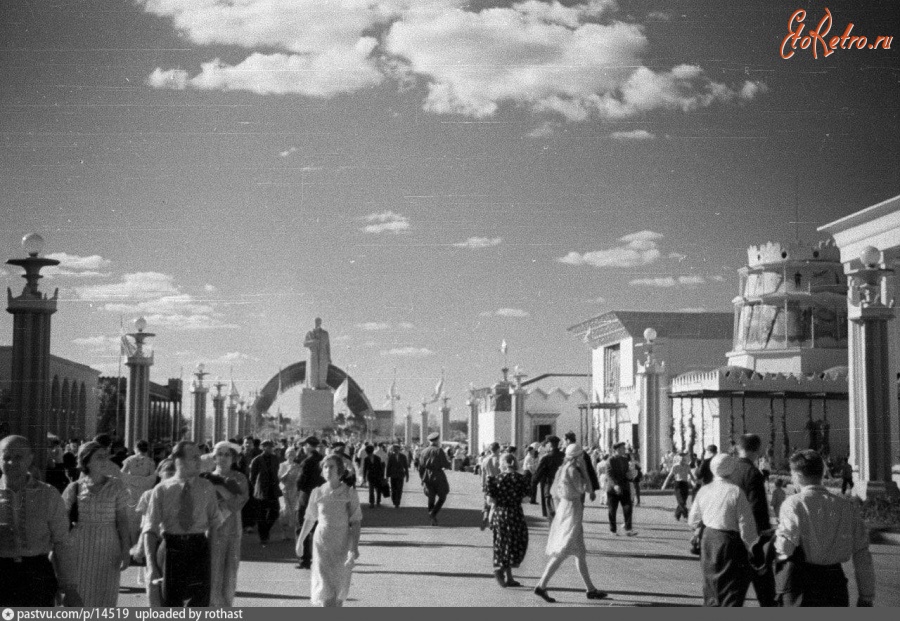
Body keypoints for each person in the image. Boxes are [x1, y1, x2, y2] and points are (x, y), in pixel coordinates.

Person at [774, 449, 875, 607]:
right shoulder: (846, 507)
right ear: (821, 473)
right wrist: (866, 596)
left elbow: (785, 548)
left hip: (803, 584)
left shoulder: (794, 504)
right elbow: (862, 555)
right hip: (836, 584)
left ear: (798, 475)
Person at [0, 435, 82, 607]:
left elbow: (62, 543)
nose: (11, 463)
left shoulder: (48, 495)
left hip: (36, 576)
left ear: (30, 459)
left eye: (18, 457)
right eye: (6, 457)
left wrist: (70, 588)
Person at [143, 441, 220, 607]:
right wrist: (151, 567)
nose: (199, 461)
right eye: (194, 458)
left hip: (199, 547)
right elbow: (149, 529)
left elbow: (215, 525)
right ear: (179, 460)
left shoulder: (207, 487)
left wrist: (213, 560)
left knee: (199, 603)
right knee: (171, 604)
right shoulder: (162, 490)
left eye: (199, 457)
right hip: (172, 549)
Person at [533, 444, 606, 603]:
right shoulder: (573, 470)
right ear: (578, 457)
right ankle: (542, 585)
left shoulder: (562, 468)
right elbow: (584, 489)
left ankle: (590, 589)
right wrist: (586, 472)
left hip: (566, 508)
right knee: (563, 550)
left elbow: (555, 492)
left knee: (580, 552)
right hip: (572, 509)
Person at [62, 441, 131, 606]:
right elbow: (61, 520)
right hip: (79, 547)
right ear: (87, 461)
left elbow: (122, 521)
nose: (105, 461)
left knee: (106, 595)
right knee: (81, 594)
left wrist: (126, 550)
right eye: (99, 457)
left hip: (109, 546)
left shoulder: (117, 486)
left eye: (106, 457)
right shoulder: (75, 488)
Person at [688, 453, 758, 607]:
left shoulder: (704, 490)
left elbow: (693, 520)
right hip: (729, 541)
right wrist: (752, 548)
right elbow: (746, 525)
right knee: (731, 588)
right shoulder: (736, 492)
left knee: (711, 586)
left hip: (708, 540)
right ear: (732, 469)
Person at [296, 454, 362, 607]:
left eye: (331, 466)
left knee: (338, 592)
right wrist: (300, 542)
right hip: (322, 543)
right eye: (325, 467)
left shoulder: (349, 493)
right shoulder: (317, 492)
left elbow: (356, 522)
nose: (328, 470)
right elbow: (310, 518)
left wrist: (354, 548)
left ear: (340, 470)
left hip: (342, 543)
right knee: (325, 591)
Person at [729, 433, 776, 606]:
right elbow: (757, 509)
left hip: (732, 537)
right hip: (752, 541)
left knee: (734, 596)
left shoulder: (730, 470)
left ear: (737, 449)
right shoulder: (753, 473)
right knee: (767, 595)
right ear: (758, 450)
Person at [203, 441, 249, 607]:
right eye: (219, 454)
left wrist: (219, 487)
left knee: (230, 576)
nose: (223, 458)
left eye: (227, 454)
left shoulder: (239, 478)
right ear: (214, 457)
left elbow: (238, 503)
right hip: (212, 532)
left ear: (233, 458)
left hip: (232, 532)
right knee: (213, 574)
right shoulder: (205, 478)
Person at [485, 453, 531, 588]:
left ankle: (508, 577)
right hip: (515, 513)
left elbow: (490, 500)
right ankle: (501, 570)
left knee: (503, 543)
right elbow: (526, 499)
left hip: (499, 513)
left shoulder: (495, 479)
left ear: (503, 463)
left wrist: (492, 512)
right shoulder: (522, 479)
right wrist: (514, 497)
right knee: (516, 542)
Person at [295, 436, 325, 570]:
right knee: (319, 528)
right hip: (322, 497)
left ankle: (304, 559)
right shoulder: (323, 460)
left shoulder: (307, 462)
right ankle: (319, 558)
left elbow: (300, 482)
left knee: (303, 527)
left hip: (307, 497)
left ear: (308, 445)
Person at [121, 439, 158, 546]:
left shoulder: (129, 460)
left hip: (131, 492)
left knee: (132, 519)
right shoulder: (150, 461)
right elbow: (153, 477)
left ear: (135, 448)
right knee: (143, 518)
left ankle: (133, 544)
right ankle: (141, 546)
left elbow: (121, 475)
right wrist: (143, 481)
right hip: (144, 493)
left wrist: (132, 480)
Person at [249, 440, 282, 546]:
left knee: (275, 512)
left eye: (271, 447)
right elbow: (252, 477)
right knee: (261, 514)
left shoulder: (275, 459)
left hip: (273, 489)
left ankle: (266, 530)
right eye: (267, 447)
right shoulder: (257, 460)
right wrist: (257, 487)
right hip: (261, 490)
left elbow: (277, 472)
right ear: (263, 448)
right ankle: (263, 536)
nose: (270, 449)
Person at [418, 432, 451, 525]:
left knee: (431, 497)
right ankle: (433, 513)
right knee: (442, 496)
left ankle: (432, 516)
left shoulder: (424, 451)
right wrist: (448, 464)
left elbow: (420, 467)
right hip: (438, 475)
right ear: (437, 440)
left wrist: (422, 478)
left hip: (427, 476)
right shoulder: (439, 450)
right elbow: (445, 464)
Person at [606, 442, 638, 536]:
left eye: (624, 448)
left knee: (628, 507)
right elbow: (609, 475)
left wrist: (630, 476)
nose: (624, 450)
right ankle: (613, 530)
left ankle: (628, 529)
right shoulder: (610, 460)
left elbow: (627, 472)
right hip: (613, 489)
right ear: (617, 449)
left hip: (624, 487)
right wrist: (615, 485)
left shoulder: (624, 460)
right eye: (622, 448)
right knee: (612, 510)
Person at [531, 436, 564, 519]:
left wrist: (532, 484)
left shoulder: (546, 458)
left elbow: (538, 474)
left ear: (550, 445)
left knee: (551, 512)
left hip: (549, 486)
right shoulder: (564, 456)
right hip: (562, 487)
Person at [563, 431, 600, 501]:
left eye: (564, 440)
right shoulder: (582, 452)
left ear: (567, 440)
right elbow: (590, 470)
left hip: (574, 486)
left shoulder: (566, 453)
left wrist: (592, 490)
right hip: (574, 487)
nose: (563, 443)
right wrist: (592, 490)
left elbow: (588, 470)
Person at [661, 453, 696, 521]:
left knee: (683, 501)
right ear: (678, 459)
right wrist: (664, 485)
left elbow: (691, 475)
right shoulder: (675, 466)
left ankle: (677, 515)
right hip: (678, 484)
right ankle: (686, 515)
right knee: (681, 501)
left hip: (685, 484)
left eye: (684, 458)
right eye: (681, 458)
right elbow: (669, 476)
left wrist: (695, 482)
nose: (683, 459)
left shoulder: (687, 466)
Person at [279, 446, 302, 539]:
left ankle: (295, 533)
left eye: (293, 453)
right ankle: (284, 533)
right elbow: (280, 478)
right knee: (285, 511)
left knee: (295, 511)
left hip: (294, 490)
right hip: (284, 490)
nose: (291, 455)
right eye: (289, 453)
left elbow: (300, 478)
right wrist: (288, 471)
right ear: (285, 455)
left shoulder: (298, 466)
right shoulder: (282, 465)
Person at [304, 317, 331, 389]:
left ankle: (322, 384)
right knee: (313, 369)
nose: (317, 323)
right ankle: (314, 385)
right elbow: (305, 343)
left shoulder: (325, 333)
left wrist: (329, 357)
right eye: (316, 322)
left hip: (323, 354)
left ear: (320, 323)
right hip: (313, 354)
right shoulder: (310, 333)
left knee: (323, 370)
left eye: (318, 322)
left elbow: (328, 346)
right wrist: (313, 342)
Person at [480, 442, 502, 529]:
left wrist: (482, 485)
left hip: (488, 481)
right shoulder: (499, 459)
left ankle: (486, 515)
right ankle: (491, 521)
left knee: (487, 500)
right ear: (498, 449)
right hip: (497, 481)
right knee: (495, 503)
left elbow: (483, 474)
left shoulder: (485, 460)